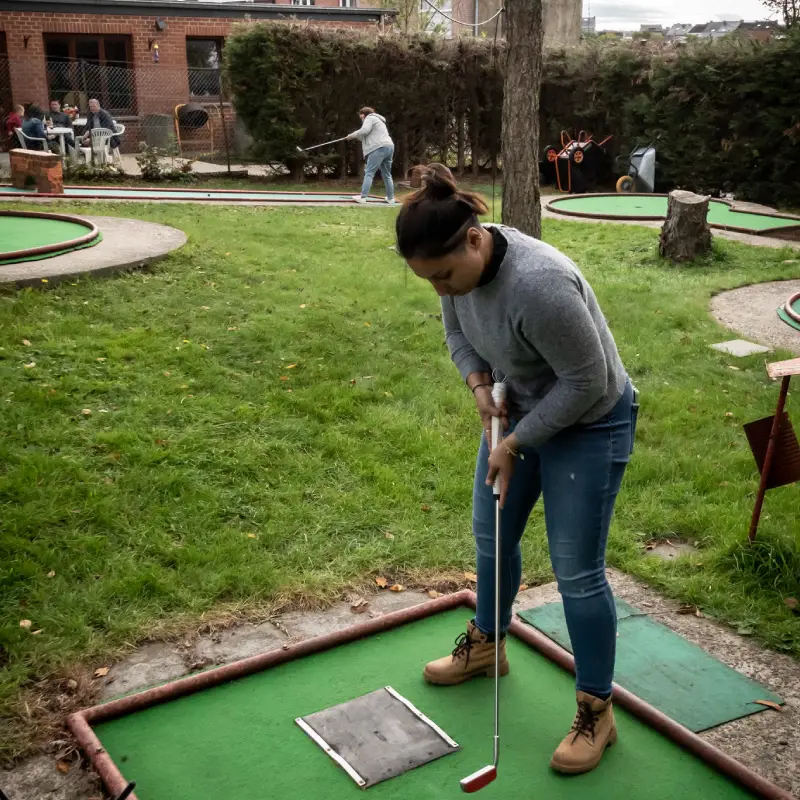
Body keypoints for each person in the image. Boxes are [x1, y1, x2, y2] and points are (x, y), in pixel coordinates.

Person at [395, 167, 638, 776]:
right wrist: (480, 387)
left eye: (444, 276)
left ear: (475, 240)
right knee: (492, 535)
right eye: (428, 281)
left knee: (576, 571)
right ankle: (487, 646)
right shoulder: (452, 275)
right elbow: (459, 335)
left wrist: (515, 441)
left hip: (591, 422)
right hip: (521, 409)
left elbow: (589, 382)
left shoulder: (540, 284)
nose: (441, 290)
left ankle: (597, 709)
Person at [345, 107, 396, 206]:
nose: (362, 119)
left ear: (364, 115)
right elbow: (365, 136)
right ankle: (390, 198)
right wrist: (351, 136)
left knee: (369, 173)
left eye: (362, 117)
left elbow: (364, 131)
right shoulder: (379, 121)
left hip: (379, 148)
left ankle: (363, 197)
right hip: (389, 147)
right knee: (387, 174)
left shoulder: (370, 118)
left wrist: (351, 135)